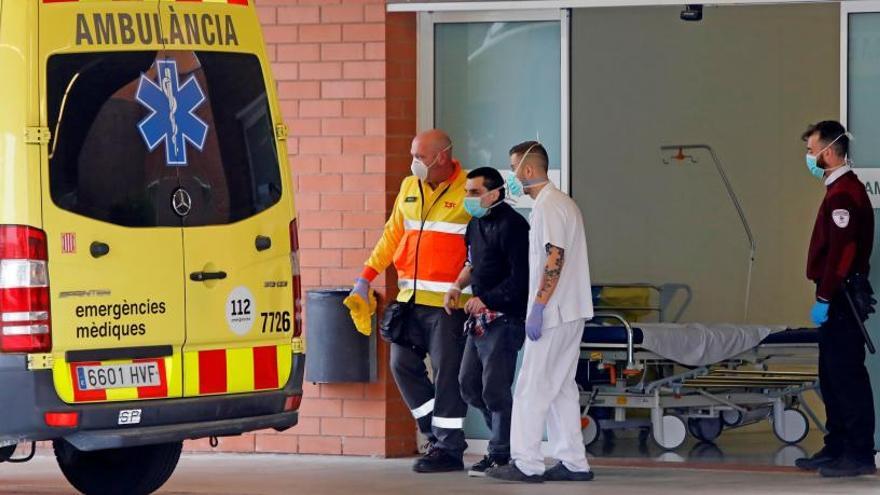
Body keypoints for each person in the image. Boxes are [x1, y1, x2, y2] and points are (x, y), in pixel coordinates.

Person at [351, 129, 471, 473]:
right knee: (401, 365)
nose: (414, 162)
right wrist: (364, 279)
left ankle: (448, 450)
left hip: (450, 304)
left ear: (442, 157)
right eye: (412, 155)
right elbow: (391, 235)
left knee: (448, 375)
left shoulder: (468, 190)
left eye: (420, 156)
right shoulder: (409, 187)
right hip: (410, 300)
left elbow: (481, 248)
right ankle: (435, 432)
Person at [487, 141, 595, 483]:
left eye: (513, 169)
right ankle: (574, 461)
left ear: (529, 171)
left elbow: (554, 256)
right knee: (562, 388)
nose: (511, 178)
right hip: (571, 311)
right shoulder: (562, 204)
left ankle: (526, 462)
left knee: (531, 387)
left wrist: (538, 306)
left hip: (553, 313)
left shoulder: (548, 206)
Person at [794, 121, 877, 478]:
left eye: (812, 152)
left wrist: (826, 296)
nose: (809, 158)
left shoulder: (845, 193)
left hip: (841, 297)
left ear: (828, 153)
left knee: (846, 376)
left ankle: (857, 452)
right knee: (830, 374)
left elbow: (843, 253)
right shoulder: (838, 189)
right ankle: (837, 445)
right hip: (834, 295)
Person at [443, 167, 529, 476]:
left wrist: (488, 299)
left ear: (494, 194)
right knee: (468, 384)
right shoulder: (476, 223)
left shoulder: (514, 226)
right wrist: (456, 286)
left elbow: (521, 279)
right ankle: (507, 440)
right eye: (466, 192)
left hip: (504, 318)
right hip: (479, 318)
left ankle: (501, 452)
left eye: (474, 193)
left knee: (495, 388)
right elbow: (471, 263)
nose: (468, 198)